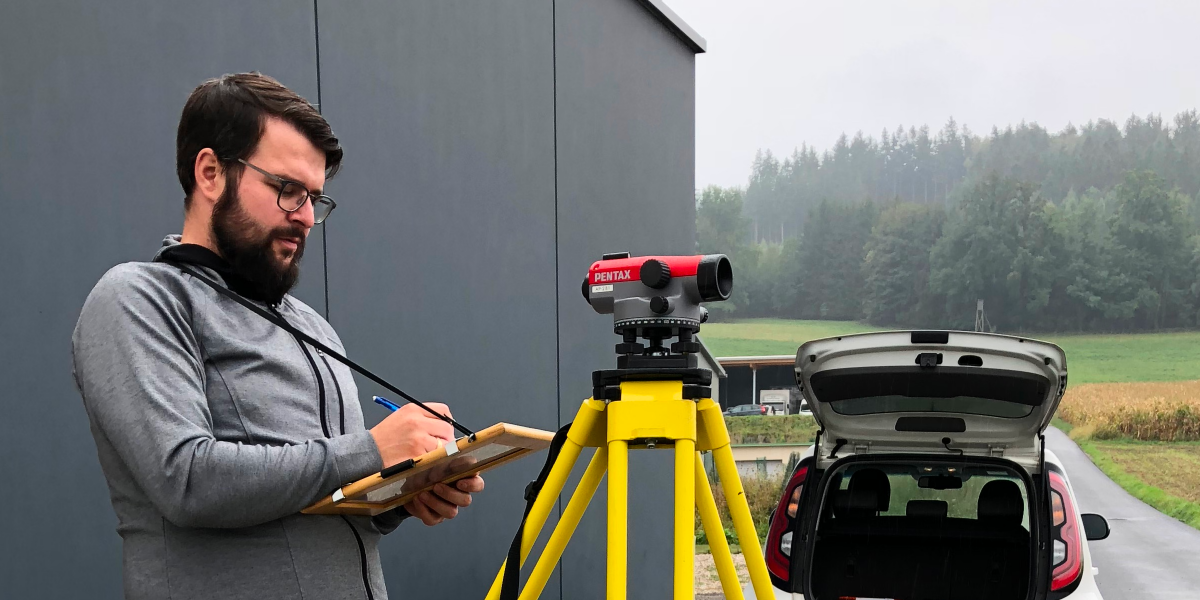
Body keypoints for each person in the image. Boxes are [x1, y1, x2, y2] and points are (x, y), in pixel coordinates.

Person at [70, 72, 482, 600]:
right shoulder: (139, 298)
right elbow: (186, 480)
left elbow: (320, 502)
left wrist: (402, 492)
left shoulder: (311, 326)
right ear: (211, 173)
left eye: (315, 198)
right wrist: (372, 450)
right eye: (287, 190)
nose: (306, 217)